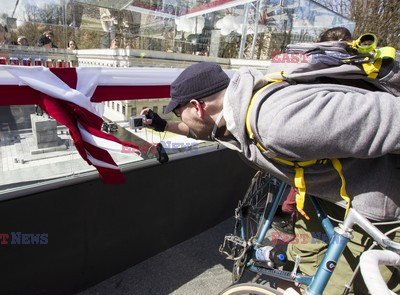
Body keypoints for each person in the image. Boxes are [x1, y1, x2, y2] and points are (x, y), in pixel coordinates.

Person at [141, 62, 400, 294]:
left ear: (197, 107)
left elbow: (391, 117)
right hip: (327, 196)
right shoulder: (236, 113)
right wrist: (164, 126)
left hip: (378, 208)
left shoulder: (281, 123)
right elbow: (204, 132)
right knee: (301, 267)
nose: (178, 118)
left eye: (178, 113)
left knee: (341, 287)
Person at [272, 26, 355, 235]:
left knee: (303, 171)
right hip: (339, 147)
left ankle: (289, 211)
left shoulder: (309, 65)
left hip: (303, 137)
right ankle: (291, 211)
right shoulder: (356, 68)